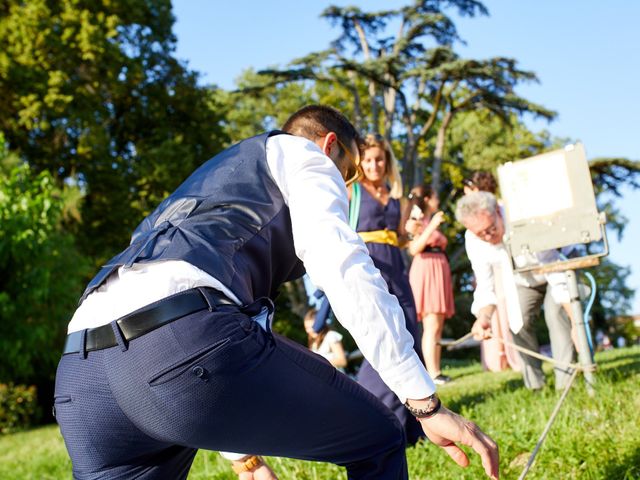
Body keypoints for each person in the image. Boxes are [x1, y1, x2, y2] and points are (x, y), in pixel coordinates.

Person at [54, 105, 499, 480]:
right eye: (347, 175)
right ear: (329, 146)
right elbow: (340, 263)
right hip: (179, 346)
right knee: (379, 437)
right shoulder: (302, 155)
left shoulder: (206, 184)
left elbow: (167, 294)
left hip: (81, 375)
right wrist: (423, 404)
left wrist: (244, 459)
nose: (343, 189)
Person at [456, 191, 576, 391]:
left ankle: (566, 385)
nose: (488, 236)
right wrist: (484, 318)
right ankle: (535, 386)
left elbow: (553, 267)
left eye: (491, 228)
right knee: (517, 322)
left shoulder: (523, 218)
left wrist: (574, 318)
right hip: (523, 280)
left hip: (555, 269)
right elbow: (486, 284)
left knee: (557, 316)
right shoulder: (473, 239)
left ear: (498, 211)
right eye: (480, 234)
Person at [349, 133, 426, 445]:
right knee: (382, 336)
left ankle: (415, 425)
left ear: (387, 161)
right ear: (360, 162)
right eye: (367, 159)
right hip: (370, 268)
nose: (374, 165)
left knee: (411, 333)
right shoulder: (351, 192)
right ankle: (369, 412)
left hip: (397, 267)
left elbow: (399, 238)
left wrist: (411, 233)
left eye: (379, 159)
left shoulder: (395, 196)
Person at [405, 185, 455, 384]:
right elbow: (414, 248)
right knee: (431, 323)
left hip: (438, 268)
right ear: (426, 199)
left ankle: (436, 369)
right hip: (426, 269)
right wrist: (432, 225)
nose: (438, 201)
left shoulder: (428, 219)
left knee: (437, 324)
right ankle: (432, 373)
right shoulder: (417, 219)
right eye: (435, 197)